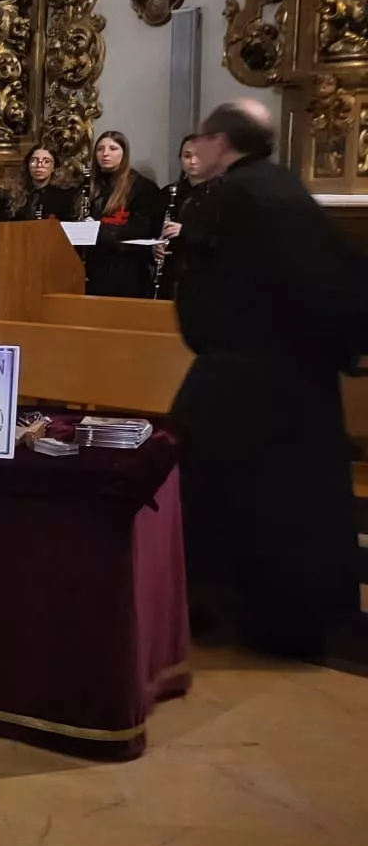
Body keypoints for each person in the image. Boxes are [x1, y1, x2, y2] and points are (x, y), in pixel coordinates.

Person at [173, 100, 368, 660]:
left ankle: (211, 608)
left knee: (203, 484)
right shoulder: (286, 189)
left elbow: (202, 302)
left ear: (221, 142)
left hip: (240, 381)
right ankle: (293, 623)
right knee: (295, 505)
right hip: (301, 381)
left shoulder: (227, 197)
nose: (198, 150)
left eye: (202, 139)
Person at [82, 130, 169, 298]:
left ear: (124, 153)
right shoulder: (88, 186)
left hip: (128, 270)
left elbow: (144, 228)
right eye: (100, 149)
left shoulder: (142, 187)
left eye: (113, 148)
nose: (105, 154)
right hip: (94, 267)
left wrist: (99, 229)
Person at [152, 134, 204, 300]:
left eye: (199, 156)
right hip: (172, 272)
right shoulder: (169, 193)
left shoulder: (221, 192)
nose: (193, 161)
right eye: (187, 156)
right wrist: (156, 246)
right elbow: (154, 228)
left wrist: (185, 230)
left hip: (203, 273)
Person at [0, 144, 77, 222]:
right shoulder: (17, 194)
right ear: (27, 165)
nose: (39, 165)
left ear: (54, 167)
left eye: (46, 161)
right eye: (34, 161)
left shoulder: (65, 196)